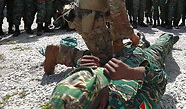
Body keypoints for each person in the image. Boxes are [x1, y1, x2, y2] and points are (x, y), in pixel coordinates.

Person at [48, 33, 179, 108]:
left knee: (133, 46)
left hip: (122, 56)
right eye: (103, 82)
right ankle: (167, 38)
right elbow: (160, 82)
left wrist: (80, 67)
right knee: (160, 47)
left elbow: (73, 91)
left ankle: (140, 42)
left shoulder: (67, 103)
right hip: (143, 62)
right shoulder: (129, 105)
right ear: (102, 104)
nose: (102, 71)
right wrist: (131, 72)